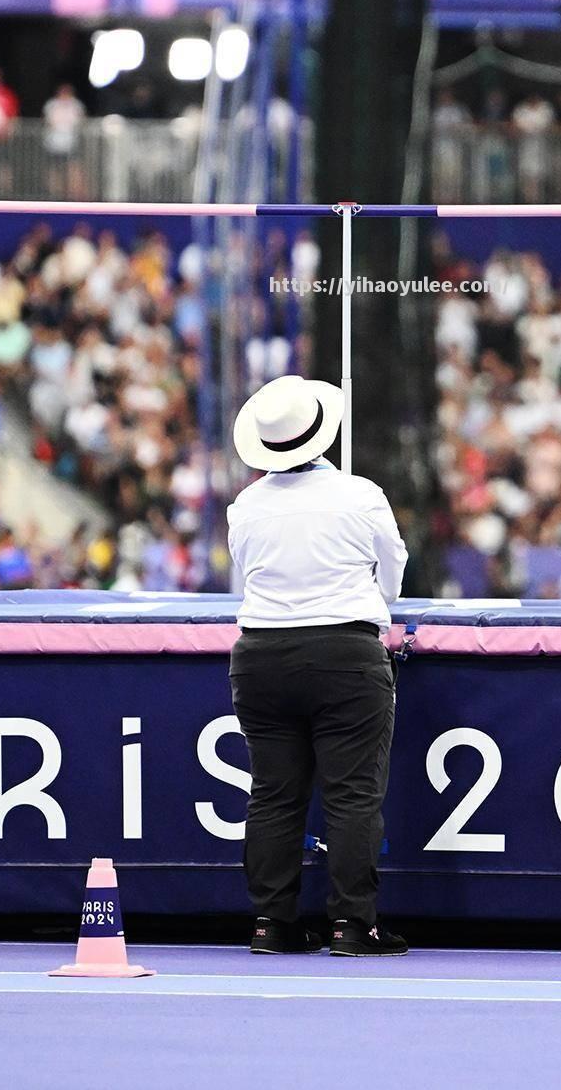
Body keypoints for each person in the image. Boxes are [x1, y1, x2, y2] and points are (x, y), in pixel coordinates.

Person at [226, 375, 408, 958]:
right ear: (321, 434)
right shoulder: (360, 495)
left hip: (261, 657)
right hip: (344, 654)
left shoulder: (245, 508)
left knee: (274, 795)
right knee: (352, 795)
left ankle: (271, 923)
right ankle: (354, 925)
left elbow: (247, 575)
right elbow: (394, 573)